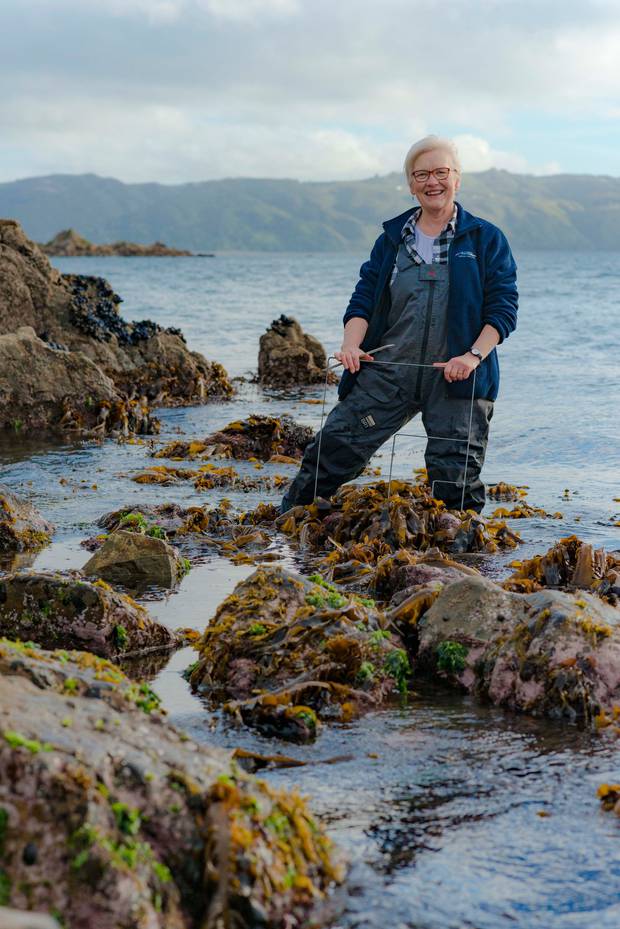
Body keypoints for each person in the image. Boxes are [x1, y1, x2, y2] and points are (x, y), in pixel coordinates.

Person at [281, 135, 518, 514]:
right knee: (330, 454)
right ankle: (284, 541)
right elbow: (363, 300)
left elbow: (503, 309)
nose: (432, 182)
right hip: (388, 372)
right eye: (421, 174)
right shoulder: (391, 240)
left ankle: (463, 569)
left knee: (454, 486)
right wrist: (352, 345)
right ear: (410, 185)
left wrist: (472, 357)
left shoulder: (486, 239)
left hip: (459, 379)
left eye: (441, 172)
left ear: (457, 178)